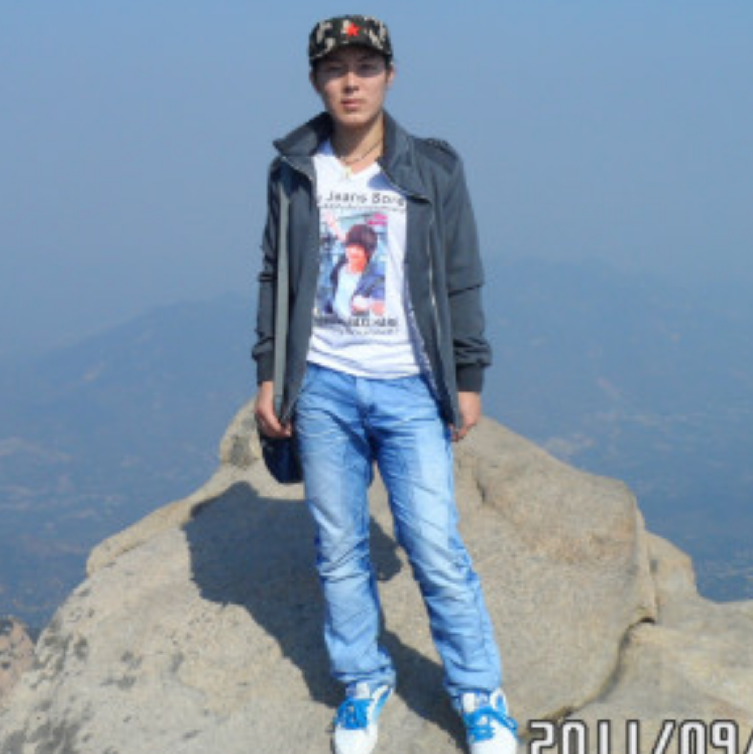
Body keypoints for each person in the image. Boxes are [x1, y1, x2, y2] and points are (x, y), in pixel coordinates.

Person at [253, 15, 518, 754]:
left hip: (409, 385)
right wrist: (268, 374)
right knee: (339, 548)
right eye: (335, 69)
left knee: (434, 547)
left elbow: (460, 275)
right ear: (315, 81)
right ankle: (362, 681)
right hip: (323, 384)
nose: (351, 83)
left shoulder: (432, 169)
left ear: (389, 77)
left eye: (365, 68)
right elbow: (275, 276)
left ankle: (479, 693)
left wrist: (468, 375)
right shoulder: (293, 170)